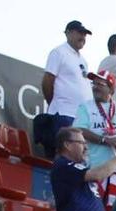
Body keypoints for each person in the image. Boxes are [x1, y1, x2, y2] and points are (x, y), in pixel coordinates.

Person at [49, 124, 115, 211]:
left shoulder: (78, 168)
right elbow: (98, 174)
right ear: (67, 145)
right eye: (81, 143)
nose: (86, 147)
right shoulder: (63, 165)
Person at [37, 18, 92, 155]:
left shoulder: (83, 60)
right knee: (63, 155)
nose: (83, 37)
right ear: (68, 33)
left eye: (85, 34)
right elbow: (48, 80)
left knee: (78, 157)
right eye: (79, 32)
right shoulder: (59, 52)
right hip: (63, 113)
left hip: (80, 118)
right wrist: (54, 102)